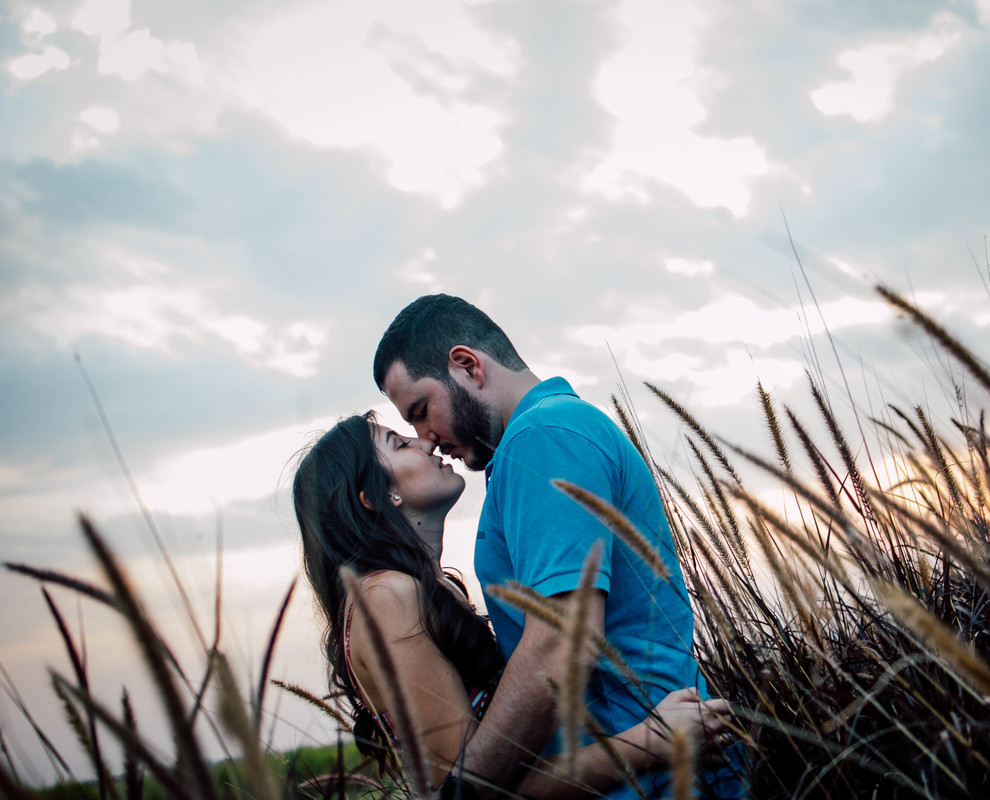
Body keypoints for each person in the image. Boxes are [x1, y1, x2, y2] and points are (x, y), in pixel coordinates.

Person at [372, 294, 742, 800]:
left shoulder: (542, 438)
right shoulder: (538, 441)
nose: (426, 437)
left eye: (421, 411)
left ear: (467, 366)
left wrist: (464, 792)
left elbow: (561, 642)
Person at [293, 411, 728, 799]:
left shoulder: (425, 589)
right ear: (375, 496)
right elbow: (471, 787)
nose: (425, 442)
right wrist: (651, 742)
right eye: (400, 444)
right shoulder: (385, 598)